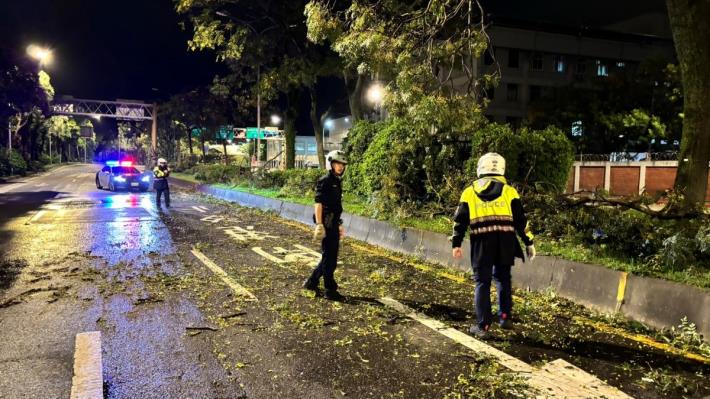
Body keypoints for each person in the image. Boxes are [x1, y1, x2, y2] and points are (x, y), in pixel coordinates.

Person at [452, 152, 535, 339]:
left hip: (481, 243)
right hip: (505, 242)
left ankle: (483, 326)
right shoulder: (509, 191)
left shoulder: (469, 192)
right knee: (503, 279)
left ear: (481, 168)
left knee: (482, 282)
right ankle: (505, 317)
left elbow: (460, 221)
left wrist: (456, 243)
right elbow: (521, 221)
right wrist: (529, 242)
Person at [303, 150, 348, 300]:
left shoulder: (336, 181)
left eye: (342, 164)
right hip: (326, 223)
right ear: (331, 164)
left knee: (328, 256)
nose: (340, 167)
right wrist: (319, 224)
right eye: (337, 163)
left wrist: (339, 224)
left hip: (333, 222)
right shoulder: (325, 180)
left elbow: (336, 206)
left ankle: (312, 281)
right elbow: (318, 203)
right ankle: (330, 289)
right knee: (330, 258)